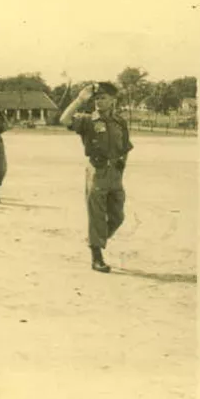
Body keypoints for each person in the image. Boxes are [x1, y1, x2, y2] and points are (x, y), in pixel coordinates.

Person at [59, 82, 133, 273]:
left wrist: (121, 168)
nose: (99, 101)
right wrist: (79, 100)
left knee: (117, 216)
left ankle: (96, 240)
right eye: (97, 98)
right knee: (97, 215)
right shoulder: (87, 121)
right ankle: (96, 256)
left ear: (112, 100)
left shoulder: (120, 122)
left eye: (103, 98)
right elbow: (64, 119)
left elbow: (125, 147)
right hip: (97, 171)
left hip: (115, 173)